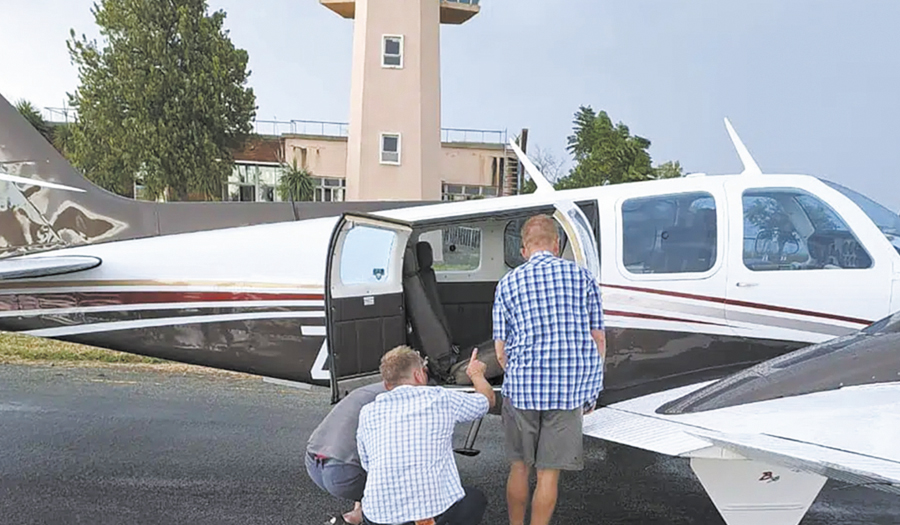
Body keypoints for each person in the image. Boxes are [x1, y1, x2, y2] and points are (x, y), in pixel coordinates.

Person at [493, 214, 605, 525]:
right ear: (556, 245)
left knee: (518, 467)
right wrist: (591, 389)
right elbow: (598, 340)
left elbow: (500, 350)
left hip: (522, 391)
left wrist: (515, 376)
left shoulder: (508, 283)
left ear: (523, 249)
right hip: (567, 393)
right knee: (548, 475)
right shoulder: (583, 278)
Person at [356, 346, 495, 525]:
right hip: (428, 515)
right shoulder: (440, 398)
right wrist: (476, 374)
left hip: (378, 517)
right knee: (475, 499)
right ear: (419, 375)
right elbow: (487, 401)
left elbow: (366, 463)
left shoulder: (368, 412)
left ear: (387, 384)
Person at [306, 381, 386, 525]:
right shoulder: (398, 398)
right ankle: (353, 518)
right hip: (342, 472)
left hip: (314, 462)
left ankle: (353, 517)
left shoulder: (367, 391)